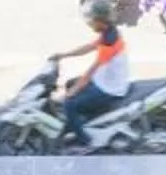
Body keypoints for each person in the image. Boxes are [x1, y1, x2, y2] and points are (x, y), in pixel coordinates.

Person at [56, 12, 132, 147]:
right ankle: (82, 121)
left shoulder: (110, 42)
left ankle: (85, 141)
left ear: (101, 22)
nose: (90, 24)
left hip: (109, 89)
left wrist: (73, 91)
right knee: (70, 84)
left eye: (93, 21)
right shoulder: (109, 32)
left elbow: (90, 72)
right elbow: (89, 47)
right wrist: (64, 55)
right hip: (104, 80)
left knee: (68, 104)